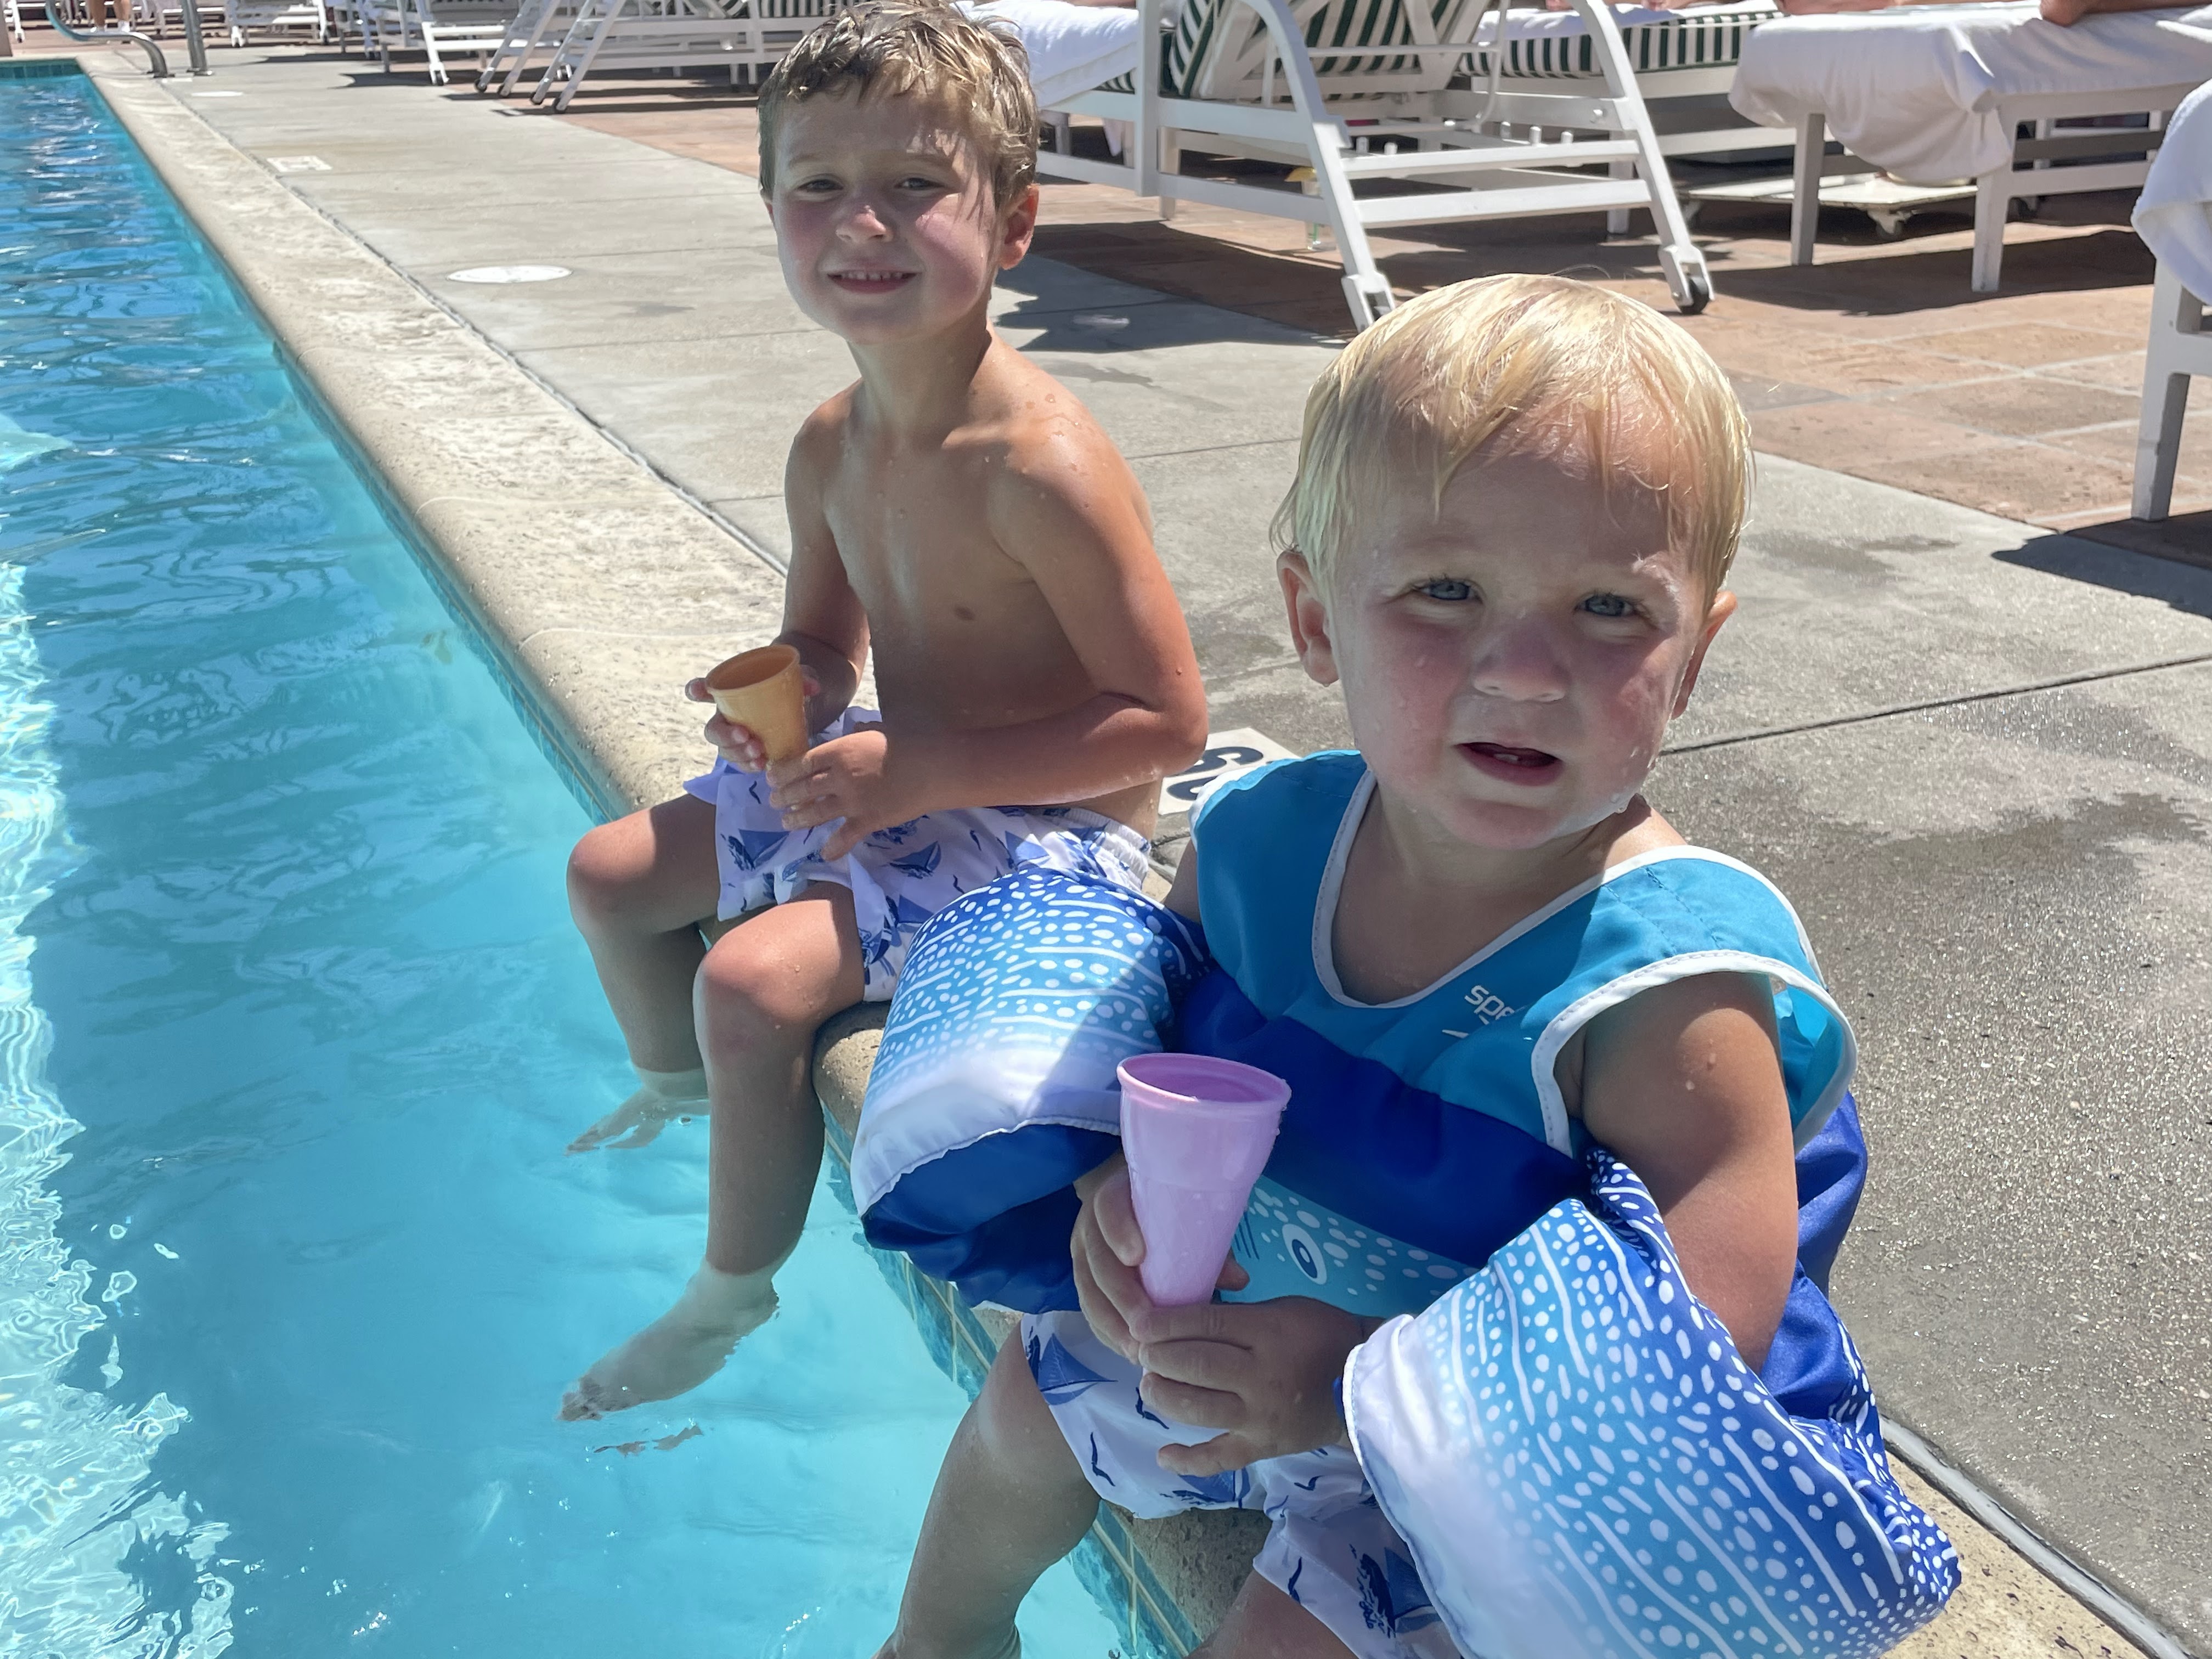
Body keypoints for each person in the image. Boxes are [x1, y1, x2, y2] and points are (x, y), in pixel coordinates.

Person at [856, 274, 1956, 1658]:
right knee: (1026, 1403)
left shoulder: (1667, 991)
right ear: (1316, 620)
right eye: (1446, 589)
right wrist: (1103, 1194)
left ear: (1692, 659)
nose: (1527, 668)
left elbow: (1703, 1330)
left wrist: (1353, 1386)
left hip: (1464, 1462)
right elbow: (1149, 1055)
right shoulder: (1258, 844)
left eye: (1611, 608)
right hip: (1231, 1326)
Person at [556, 0, 1207, 1423]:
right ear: (772, 213)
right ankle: (679, 1092)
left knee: (749, 986)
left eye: (916, 185)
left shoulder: (1040, 466)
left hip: (1039, 834)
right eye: (820, 186)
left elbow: (1167, 721)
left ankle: (733, 1286)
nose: (864, 223)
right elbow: (827, 646)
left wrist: (921, 770)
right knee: (606, 876)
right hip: (897, 776)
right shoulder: (830, 442)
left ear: (1014, 224)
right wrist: (780, 697)